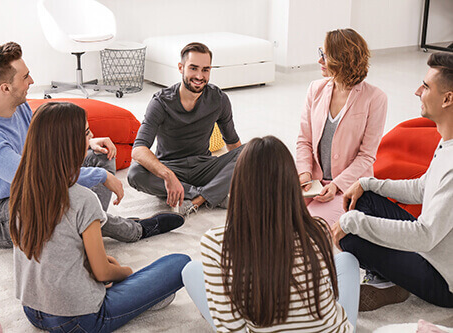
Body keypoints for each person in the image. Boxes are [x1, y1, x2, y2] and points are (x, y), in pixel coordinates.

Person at [0, 41, 183, 249]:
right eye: (25, 77)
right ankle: (133, 230)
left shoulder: (19, 108)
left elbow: (45, 148)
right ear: (5, 88)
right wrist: (101, 176)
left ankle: (88, 227)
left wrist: (86, 140)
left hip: (31, 187)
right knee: (68, 201)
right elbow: (39, 177)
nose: (32, 81)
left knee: (101, 156)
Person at [10, 102, 191, 332]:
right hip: (78, 319)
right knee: (179, 262)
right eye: (87, 132)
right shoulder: (82, 199)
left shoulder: (21, 189)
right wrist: (124, 272)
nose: (92, 136)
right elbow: (102, 272)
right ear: (70, 144)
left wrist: (102, 267)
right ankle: (144, 298)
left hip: (32, 310)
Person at [182, 136, 360, 332]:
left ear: (238, 185)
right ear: (292, 185)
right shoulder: (317, 228)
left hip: (251, 309)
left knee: (190, 270)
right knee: (347, 260)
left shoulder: (215, 242)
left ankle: (222, 298)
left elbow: (233, 329)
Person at [331, 52, 453, 311]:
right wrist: (368, 183)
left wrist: (354, 223)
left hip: (443, 279)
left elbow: (425, 237)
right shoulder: (446, 143)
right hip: (431, 250)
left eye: (426, 86)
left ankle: (389, 282)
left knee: (351, 236)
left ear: (447, 99)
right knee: (361, 199)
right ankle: (389, 276)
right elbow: (421, 188)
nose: (418, 91)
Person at [127, 42, 243, 216]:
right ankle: (211, 194)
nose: (199, 75)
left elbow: (233, 143)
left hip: (204, 167)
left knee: (253, 150)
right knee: (135, 173)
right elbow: (138, 150)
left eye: (205, 69)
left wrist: (245, 170)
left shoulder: (219, 99)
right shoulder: (160, 102)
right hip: (170, 167)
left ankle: (198, 199)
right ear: (181, 68)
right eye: (193, 68)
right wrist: (168, 176)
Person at [296, 28, 387, 226]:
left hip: (348, 187)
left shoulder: (375, 98)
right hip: (312, 183)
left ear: (342, 60)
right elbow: (304, 140)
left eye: (325, 56)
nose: (319, 61)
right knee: (276, 217)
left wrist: (337, 185)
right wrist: (304, 173)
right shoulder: (315, 89)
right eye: (320, 53)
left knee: (309, 227)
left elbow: (367, 155)